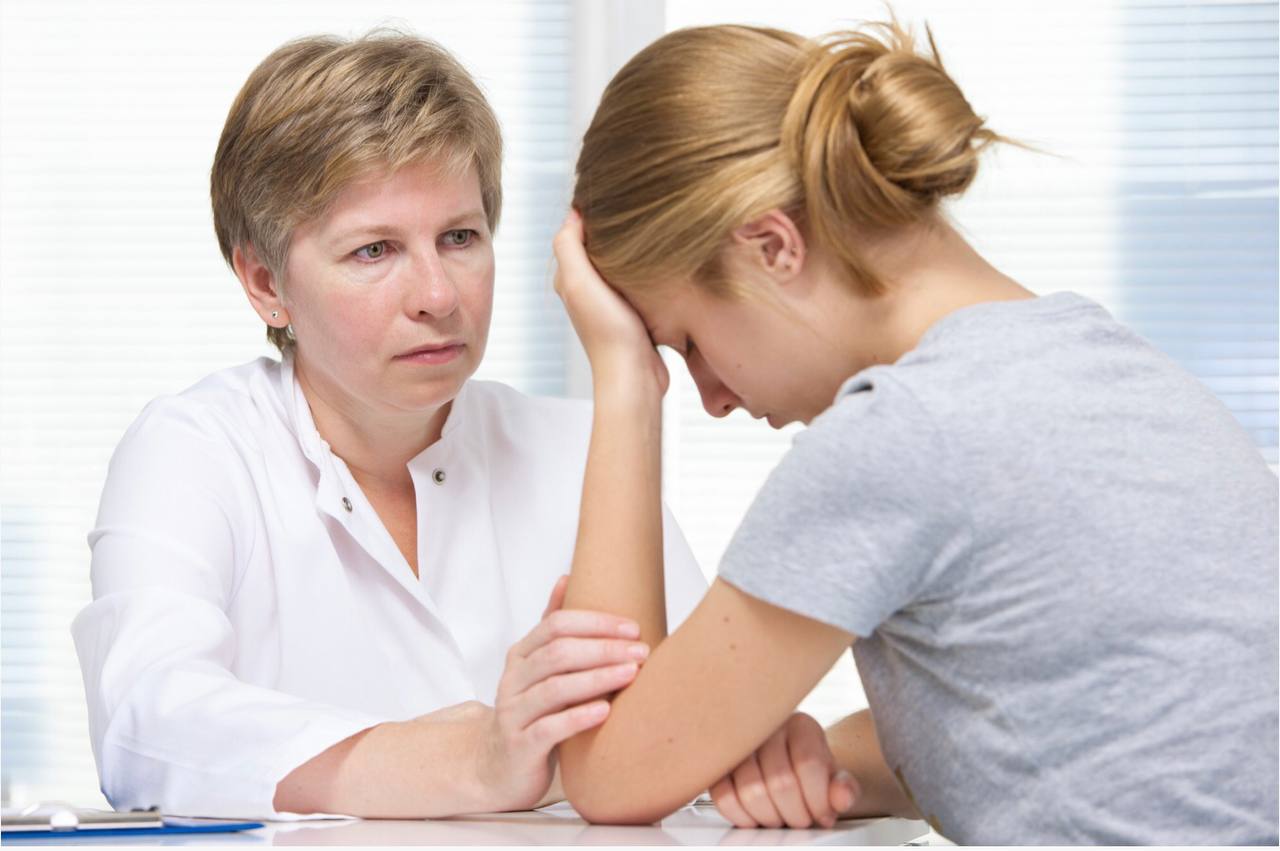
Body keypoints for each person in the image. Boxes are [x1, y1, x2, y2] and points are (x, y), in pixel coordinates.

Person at [549, 17, 1280, 844]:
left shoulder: (900, 435)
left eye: (685, 342)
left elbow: (611, 772)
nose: (711, 398)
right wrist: (823, 759)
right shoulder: (1112, 368)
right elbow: (1085, 722)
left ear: (771, 246)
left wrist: (624, 385)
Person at [70, 30, 706, 820]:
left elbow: (698, 721)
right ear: (265, 283)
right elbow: (147, 721)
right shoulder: (194, 449)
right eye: (374, 250)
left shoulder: (579, 448)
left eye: (460, 237)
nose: (437, 295)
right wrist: (476, 761)